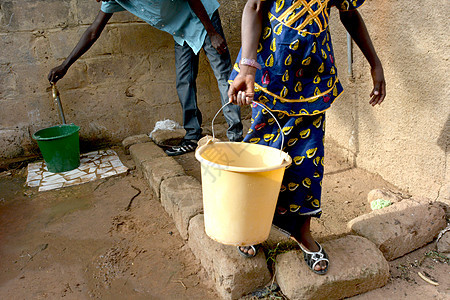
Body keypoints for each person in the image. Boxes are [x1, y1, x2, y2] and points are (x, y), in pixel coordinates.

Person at [228, 0, 386, 275]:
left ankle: (301, 232)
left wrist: (375, 63)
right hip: (269, 70)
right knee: (262, 153)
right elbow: (254, 7)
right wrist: (247, 69)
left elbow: (349, 14)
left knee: (307, 160)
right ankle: (252, 225)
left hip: (312, 76)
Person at [48, 0, 243, 156]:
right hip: (182, 30)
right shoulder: (112, 0)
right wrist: (65, 66)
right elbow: (93, 32)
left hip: (203, 17)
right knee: (184, 82)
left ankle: (236, 138)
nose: (98, 1)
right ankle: (192, 136)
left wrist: (212, 32)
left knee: (224, 77)